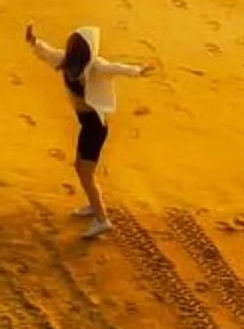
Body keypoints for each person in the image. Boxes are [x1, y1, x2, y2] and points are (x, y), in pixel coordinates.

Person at [24, 21, 153, 233]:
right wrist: (33, 41)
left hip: (95, 126)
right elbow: (47, 53)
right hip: (86, 124)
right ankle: (94, 206)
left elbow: (116, 68)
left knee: (85, 173)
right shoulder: (67, 61)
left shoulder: (96, 66)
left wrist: (138, 71)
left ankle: (102, 220)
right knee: (81, 168)